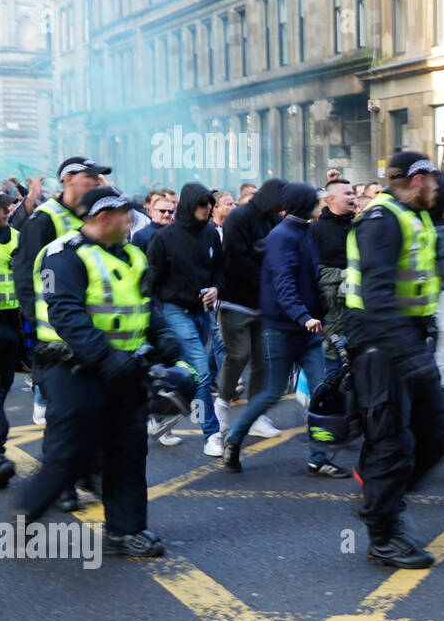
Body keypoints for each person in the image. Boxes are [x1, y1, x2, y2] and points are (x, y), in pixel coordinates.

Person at [344, 152, 444, 569]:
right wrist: (408, 353)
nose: (440, 187)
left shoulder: (411, 212)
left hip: (406, 337)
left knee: (438, 429)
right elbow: (376, 296)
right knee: (392, 440)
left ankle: (383, 497)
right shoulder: (381, 220)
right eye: (435, 179)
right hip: (380, 341)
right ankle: (383, 533)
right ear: (417, 181)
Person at [15, 186, 183, 557]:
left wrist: (165, 337)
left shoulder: (133, 255)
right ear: (104, 218)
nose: (130, 221)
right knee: (71, 450)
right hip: (73, 369)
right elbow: (67, 315)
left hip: (125, 370)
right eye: (125, 215)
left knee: (127, 450)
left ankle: (126, 530)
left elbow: (146, 306)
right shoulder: (63, 256)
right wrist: (108, 359)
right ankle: (26, 514)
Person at [223, 183, 346, 477]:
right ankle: (235, 437)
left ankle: (318, 458)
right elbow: (283, 283)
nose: (321, 203)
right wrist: (303, 316)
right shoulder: (283, 236)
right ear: (304, 204)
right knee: (272, 392)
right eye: (316, 200)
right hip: (282, 329)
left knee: (320, 394)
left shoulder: (303, 231)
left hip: (308, 330)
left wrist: (316, 317)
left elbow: (308, 280)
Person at [14, 157, 108, 428]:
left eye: (97, 179)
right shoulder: (45, 219)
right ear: (67, 179)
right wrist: (41, 323)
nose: (95, 183)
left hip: (88, 329)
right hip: (58, 337)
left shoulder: (90, 216)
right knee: (64, 424)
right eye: (89, 177)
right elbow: (24, 275)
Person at [144, 182, 225, 456]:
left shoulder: (211, 233)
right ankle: (211, 434)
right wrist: (154, 317)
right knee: (201, 373)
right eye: (203, 204)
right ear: (190, 204)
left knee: (188, 371)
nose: (208, 209)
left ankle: (160, 415)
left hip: (202, 311)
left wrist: (216, 288)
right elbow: (150, 281)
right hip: (173, 310)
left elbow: (219, 271)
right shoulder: (164, 238)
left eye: (210, 204)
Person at [216, 178, 286, 437]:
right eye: (279, 203)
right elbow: (237, 260)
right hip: (236, 299)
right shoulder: (240, 218)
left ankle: (257, 415)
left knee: (262, 360)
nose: (281, 209)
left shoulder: (274, 219)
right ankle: (221, 404)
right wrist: (269, 280)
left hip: (264, 302)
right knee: (240, 354)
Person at [311, 178, 356, 367]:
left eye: (353, 193)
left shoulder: (358, 227)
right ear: (330, 199)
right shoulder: (316, 229)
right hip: (330, 312)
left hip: (356, 309)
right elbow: (312, 272)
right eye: (347, 193)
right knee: (332, 363)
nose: (353, 197)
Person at [0, 195, 21, 486]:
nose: (7, 210)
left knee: (4, 388)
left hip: (12, 322)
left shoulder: (18, 236)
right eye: (2, 206)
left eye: (8, 206)